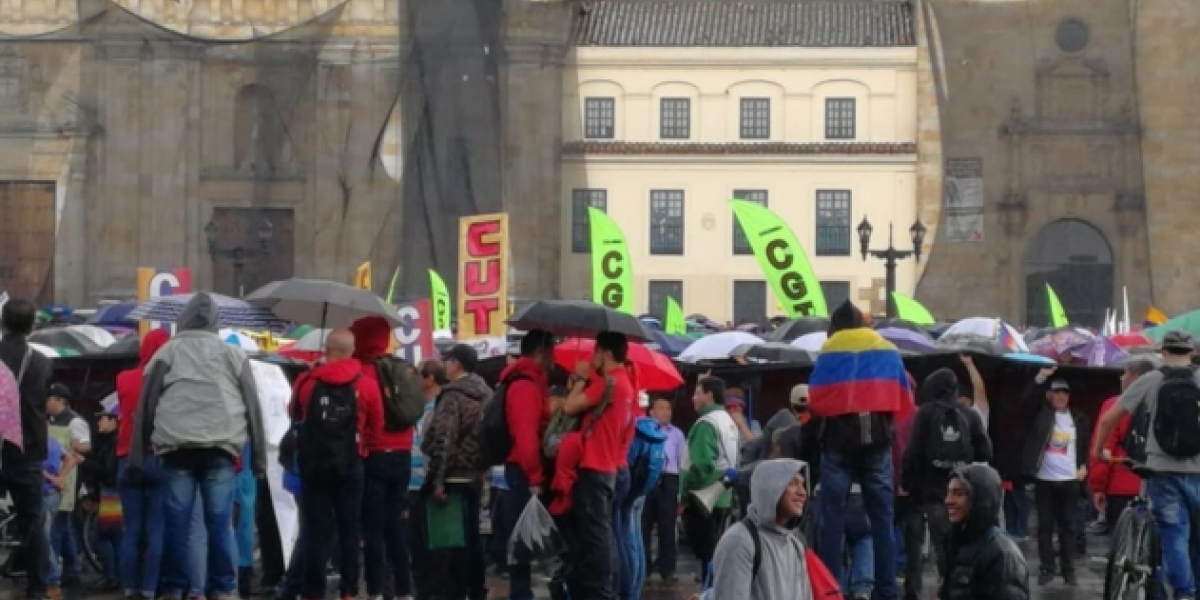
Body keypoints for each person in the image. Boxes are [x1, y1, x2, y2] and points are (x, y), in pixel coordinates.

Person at [129, 292, 267, 600]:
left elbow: (146, 405)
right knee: (220, 523)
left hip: (176, 446)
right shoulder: (234, 355)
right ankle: (224, 588)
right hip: (221, 446)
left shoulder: (166, 352)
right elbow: (252, 407)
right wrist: (258, 458)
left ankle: (175, 586)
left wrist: (137, 456)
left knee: (177, 522)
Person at [809, 300, 913, 600]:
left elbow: (816, 400)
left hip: (838, 445)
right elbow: (903, 397)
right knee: (882, 520)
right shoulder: (886, 348)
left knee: (832, 520)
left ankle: (831, 590)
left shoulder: (829, 349)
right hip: (877, 443)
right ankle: (886, 590)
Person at [1093, 331, 1200, 599]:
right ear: (1191, 353)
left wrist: (1099, 450)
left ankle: (1184, 592)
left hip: (1161, 469)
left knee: (1173, 533)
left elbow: (1109, 420)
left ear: (1162, 353)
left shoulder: (1151, 379)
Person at [900, 368, 992, 600]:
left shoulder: (926, 413)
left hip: (931, 491)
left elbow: (912, 452)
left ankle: (934, 588)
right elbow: (986, 451)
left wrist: (908, 482)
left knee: (936, 543)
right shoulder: (969, 414)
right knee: (962, 541)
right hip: (963, 489)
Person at [560, 331, 636, 600]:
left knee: (596, 537)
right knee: (606, 533)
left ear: (605, 353)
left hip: (594, 466)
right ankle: (608, 589)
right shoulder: (627, 384)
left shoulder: (608, 383)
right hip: (612, 466)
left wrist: (581, 378)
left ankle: (601, 591)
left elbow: (569, 408)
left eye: (596, 352)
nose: (592, 358)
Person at [709, 459, 838, 600]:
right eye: (792, 483)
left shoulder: (795, 544)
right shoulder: (739, 541)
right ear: (769, 488)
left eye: (803, 485)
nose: (802, 493)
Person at [353, 315, 417, 600]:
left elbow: (361, 420)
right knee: (396, 527)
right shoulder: (401, 370)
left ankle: (376, 590)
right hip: (402, 456)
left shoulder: (361, 374)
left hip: (374, 456)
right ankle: (404, 589)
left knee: (373, 529)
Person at [422, 344, 492, 600]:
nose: (444, 366)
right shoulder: (486, 393)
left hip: (453, 477)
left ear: (457, 364)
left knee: (452, 544)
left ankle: (455, 593)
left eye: (448, 361)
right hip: (477, 475)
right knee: (474, 540)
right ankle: (477, 590)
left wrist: (437, 481)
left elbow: (444, 439)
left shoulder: (453, 395)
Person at [494, 330, 554, 600]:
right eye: (551, 352)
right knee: (521, 538)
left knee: (523, 537)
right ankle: (520, 594)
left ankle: (521, 592)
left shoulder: (528, 382)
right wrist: (535, 476)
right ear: (540, 352)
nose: (553, 359)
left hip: (520, 468)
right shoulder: (525, 386)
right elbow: (526, 435)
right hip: (522, 470)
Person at [0, 298, 53, 600]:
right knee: (33, 521)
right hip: (26, 450)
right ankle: (37, 588)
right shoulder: (41, 362)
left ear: (3, 323)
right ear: (33, 325)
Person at [1020, 367, 1090, 586]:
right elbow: (1025, 401)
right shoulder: (1041, 414)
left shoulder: (1078, 418)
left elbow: (1085, 446)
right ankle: (1047, 568)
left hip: (1070, 480)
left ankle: (1069, 571)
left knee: (1069, 527)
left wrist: (1084, 466)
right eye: (1057, 392)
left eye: (1065, 393)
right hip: (1044, 480)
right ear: (1049, 395)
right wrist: (1041, 376)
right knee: (1045, 527)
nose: (1061, 396)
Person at [115, 329, 169, 600]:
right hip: (159, 457)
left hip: (128, 458)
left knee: (131, 529)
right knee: (156, 529)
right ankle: (149, 588)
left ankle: (129, 587)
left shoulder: (124, 378)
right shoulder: (169, 381)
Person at [1088, 356, 1158, 538]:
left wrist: (1098, 487)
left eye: (1125, 373)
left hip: (1122, 484)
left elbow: (1105, 447)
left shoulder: (1115, 406)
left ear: (1135, 377)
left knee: (1122, 541)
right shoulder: (1162, 404)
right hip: (1157, 482)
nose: (1121, 378)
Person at [680, 375, 739, 584]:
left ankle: (708, 593)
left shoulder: (706, 423)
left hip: (703, 497)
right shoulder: (728, 421)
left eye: (697, 393)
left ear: (709, 395)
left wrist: (685, 490)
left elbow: (701, 465)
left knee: (706, 553)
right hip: (723, 495)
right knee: (715, 550)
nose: (693, 398)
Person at [940, 464, 1029, 600]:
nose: (948, 500)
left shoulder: (1002, 554)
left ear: (981, 498)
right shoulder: (956, 540)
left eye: (958, 494)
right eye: (948, 493)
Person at [44, 383, 90, 593]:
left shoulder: (75, 421)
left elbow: (85, 447)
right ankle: (71, 571)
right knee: (63, 527)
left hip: (68, 479)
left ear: (60, 401)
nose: (46, 403)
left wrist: (74, 445)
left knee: (57, 528)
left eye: (50, 399)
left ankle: (56, 575)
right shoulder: (50, 421)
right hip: (56, 477)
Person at [409, 358, 446, 600]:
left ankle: (436, 590)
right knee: (417, 543)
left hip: (431, 483)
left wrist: (438, 480)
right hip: (411, 484)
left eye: (418, 375)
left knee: (436, 542)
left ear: (429, 379)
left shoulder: (441, 406)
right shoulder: (416, 406)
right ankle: (423, 590)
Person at [642, 396, 685, 583]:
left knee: (667, 526)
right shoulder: (643, 430)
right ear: (651, 412)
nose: (665, 412)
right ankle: (644, 567)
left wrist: (681, 490)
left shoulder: (676, 433)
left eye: (668, 408)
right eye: (661, 408)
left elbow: (682, 461)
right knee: (643, 525)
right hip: (647, 478)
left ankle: (667, 569)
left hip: (669, 479)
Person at [80, 402, 121, 593]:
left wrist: (84, 462)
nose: (98, 423)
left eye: (102, 419)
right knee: (114, 538)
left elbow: (107, 471)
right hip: (107, 494)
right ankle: (116, 576)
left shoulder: (114, 443)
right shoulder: (107, 442)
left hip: (112, 494)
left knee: (102, 537)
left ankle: (112, 577)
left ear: (113, 421)